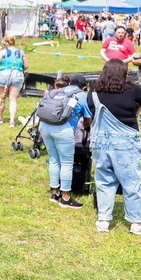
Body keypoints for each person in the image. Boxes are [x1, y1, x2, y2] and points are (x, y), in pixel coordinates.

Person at [87, 59, 141, 235]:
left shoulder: (94, 90)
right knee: (131, 181)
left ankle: (103, 221)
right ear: (124, 72)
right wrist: (136, 111)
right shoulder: (133, 89)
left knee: (104, 181)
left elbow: (92, 111)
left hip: (100, 142)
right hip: (125, 142)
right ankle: (136, 223)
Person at [37, 76, 89, 210]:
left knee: (54, 160)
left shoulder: (56, 91)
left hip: (44, 126)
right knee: (66, 163)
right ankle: (65, 198)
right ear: (84, 87)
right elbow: (88, 119)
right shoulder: (82, 95)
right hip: (63, 129)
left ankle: (55, 193)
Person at [0, 36, 25, 127]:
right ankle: (12, 121)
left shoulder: (3, 52)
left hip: (3, 74)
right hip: (17, 74)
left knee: (1, 97)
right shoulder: (21, 52)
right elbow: (26, 65)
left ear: (5, 43)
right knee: (13, 99)